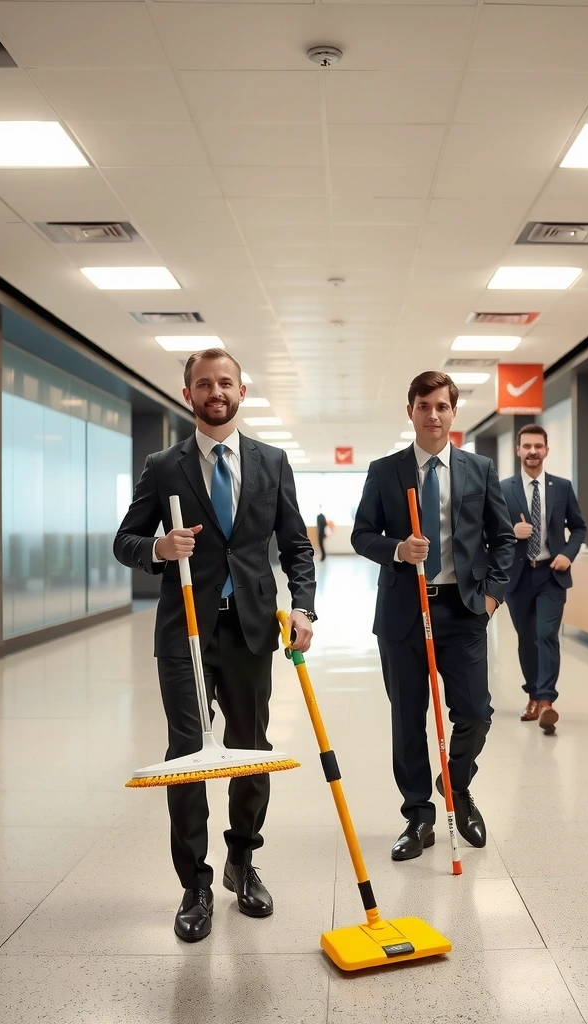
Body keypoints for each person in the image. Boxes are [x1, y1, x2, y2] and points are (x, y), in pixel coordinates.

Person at [113, 347, 316, 941]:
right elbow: (125, 539)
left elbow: (296, 547)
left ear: (240, 391)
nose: (215, 391)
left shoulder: (272, 462)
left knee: (251, 750)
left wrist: (301, 607)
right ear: (188, 395)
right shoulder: (163, 466)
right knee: (188, 756)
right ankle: (194, 885)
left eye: (225, 381)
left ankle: (242, 862)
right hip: (185, 632)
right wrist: (157, 549)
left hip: (251, 629)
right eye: (204, 383)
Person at [352, 371, 515, 860]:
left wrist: (490, 599)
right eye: (424, 406)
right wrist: (398, 549)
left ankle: (457, 784)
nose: (433, 415)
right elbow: (362, 535)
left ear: (453, 411)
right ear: (411, 411)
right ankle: (419, 817)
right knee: (408, 720)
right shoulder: (386, 471)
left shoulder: (478, 468)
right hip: (404, 613)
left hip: (464, 611)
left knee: (476, 714)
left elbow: (502, 539)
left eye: (442, 406)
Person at [499, 424, 587, 732]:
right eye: (527, 446)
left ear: (546, 451)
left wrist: (568, 553)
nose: (532, 451)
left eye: (538, 446)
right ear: (518, 450)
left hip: (552, 573)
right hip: (518, 578)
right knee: (527, 639)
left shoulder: (561, 487)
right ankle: (534, 695)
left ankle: (547, 700)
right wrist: (511, 531)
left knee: (546, 634)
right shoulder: (503, 488)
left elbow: (578, 527)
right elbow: (487, 532)